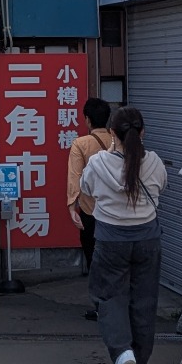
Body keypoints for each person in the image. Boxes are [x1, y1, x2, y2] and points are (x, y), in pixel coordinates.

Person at [80, 106, 167, 364]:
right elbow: (161, 187)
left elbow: (86, 188)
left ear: (111, 134)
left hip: (111, 239)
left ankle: (121, 352)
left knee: (109, 296)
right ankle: (139, 360)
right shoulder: (154, 161)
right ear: (142, 132)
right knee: (144, 298)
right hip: (147, 238)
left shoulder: (98, 163)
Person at [66, 97, 113, 320]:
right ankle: (118, 304)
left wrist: (71, 207)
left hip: (90, 211)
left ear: (87, 119)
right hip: (117, 212)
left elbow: (74, 177)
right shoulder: (119, 140)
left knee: (94, 259)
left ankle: (101, 305)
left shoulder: (81, 144)